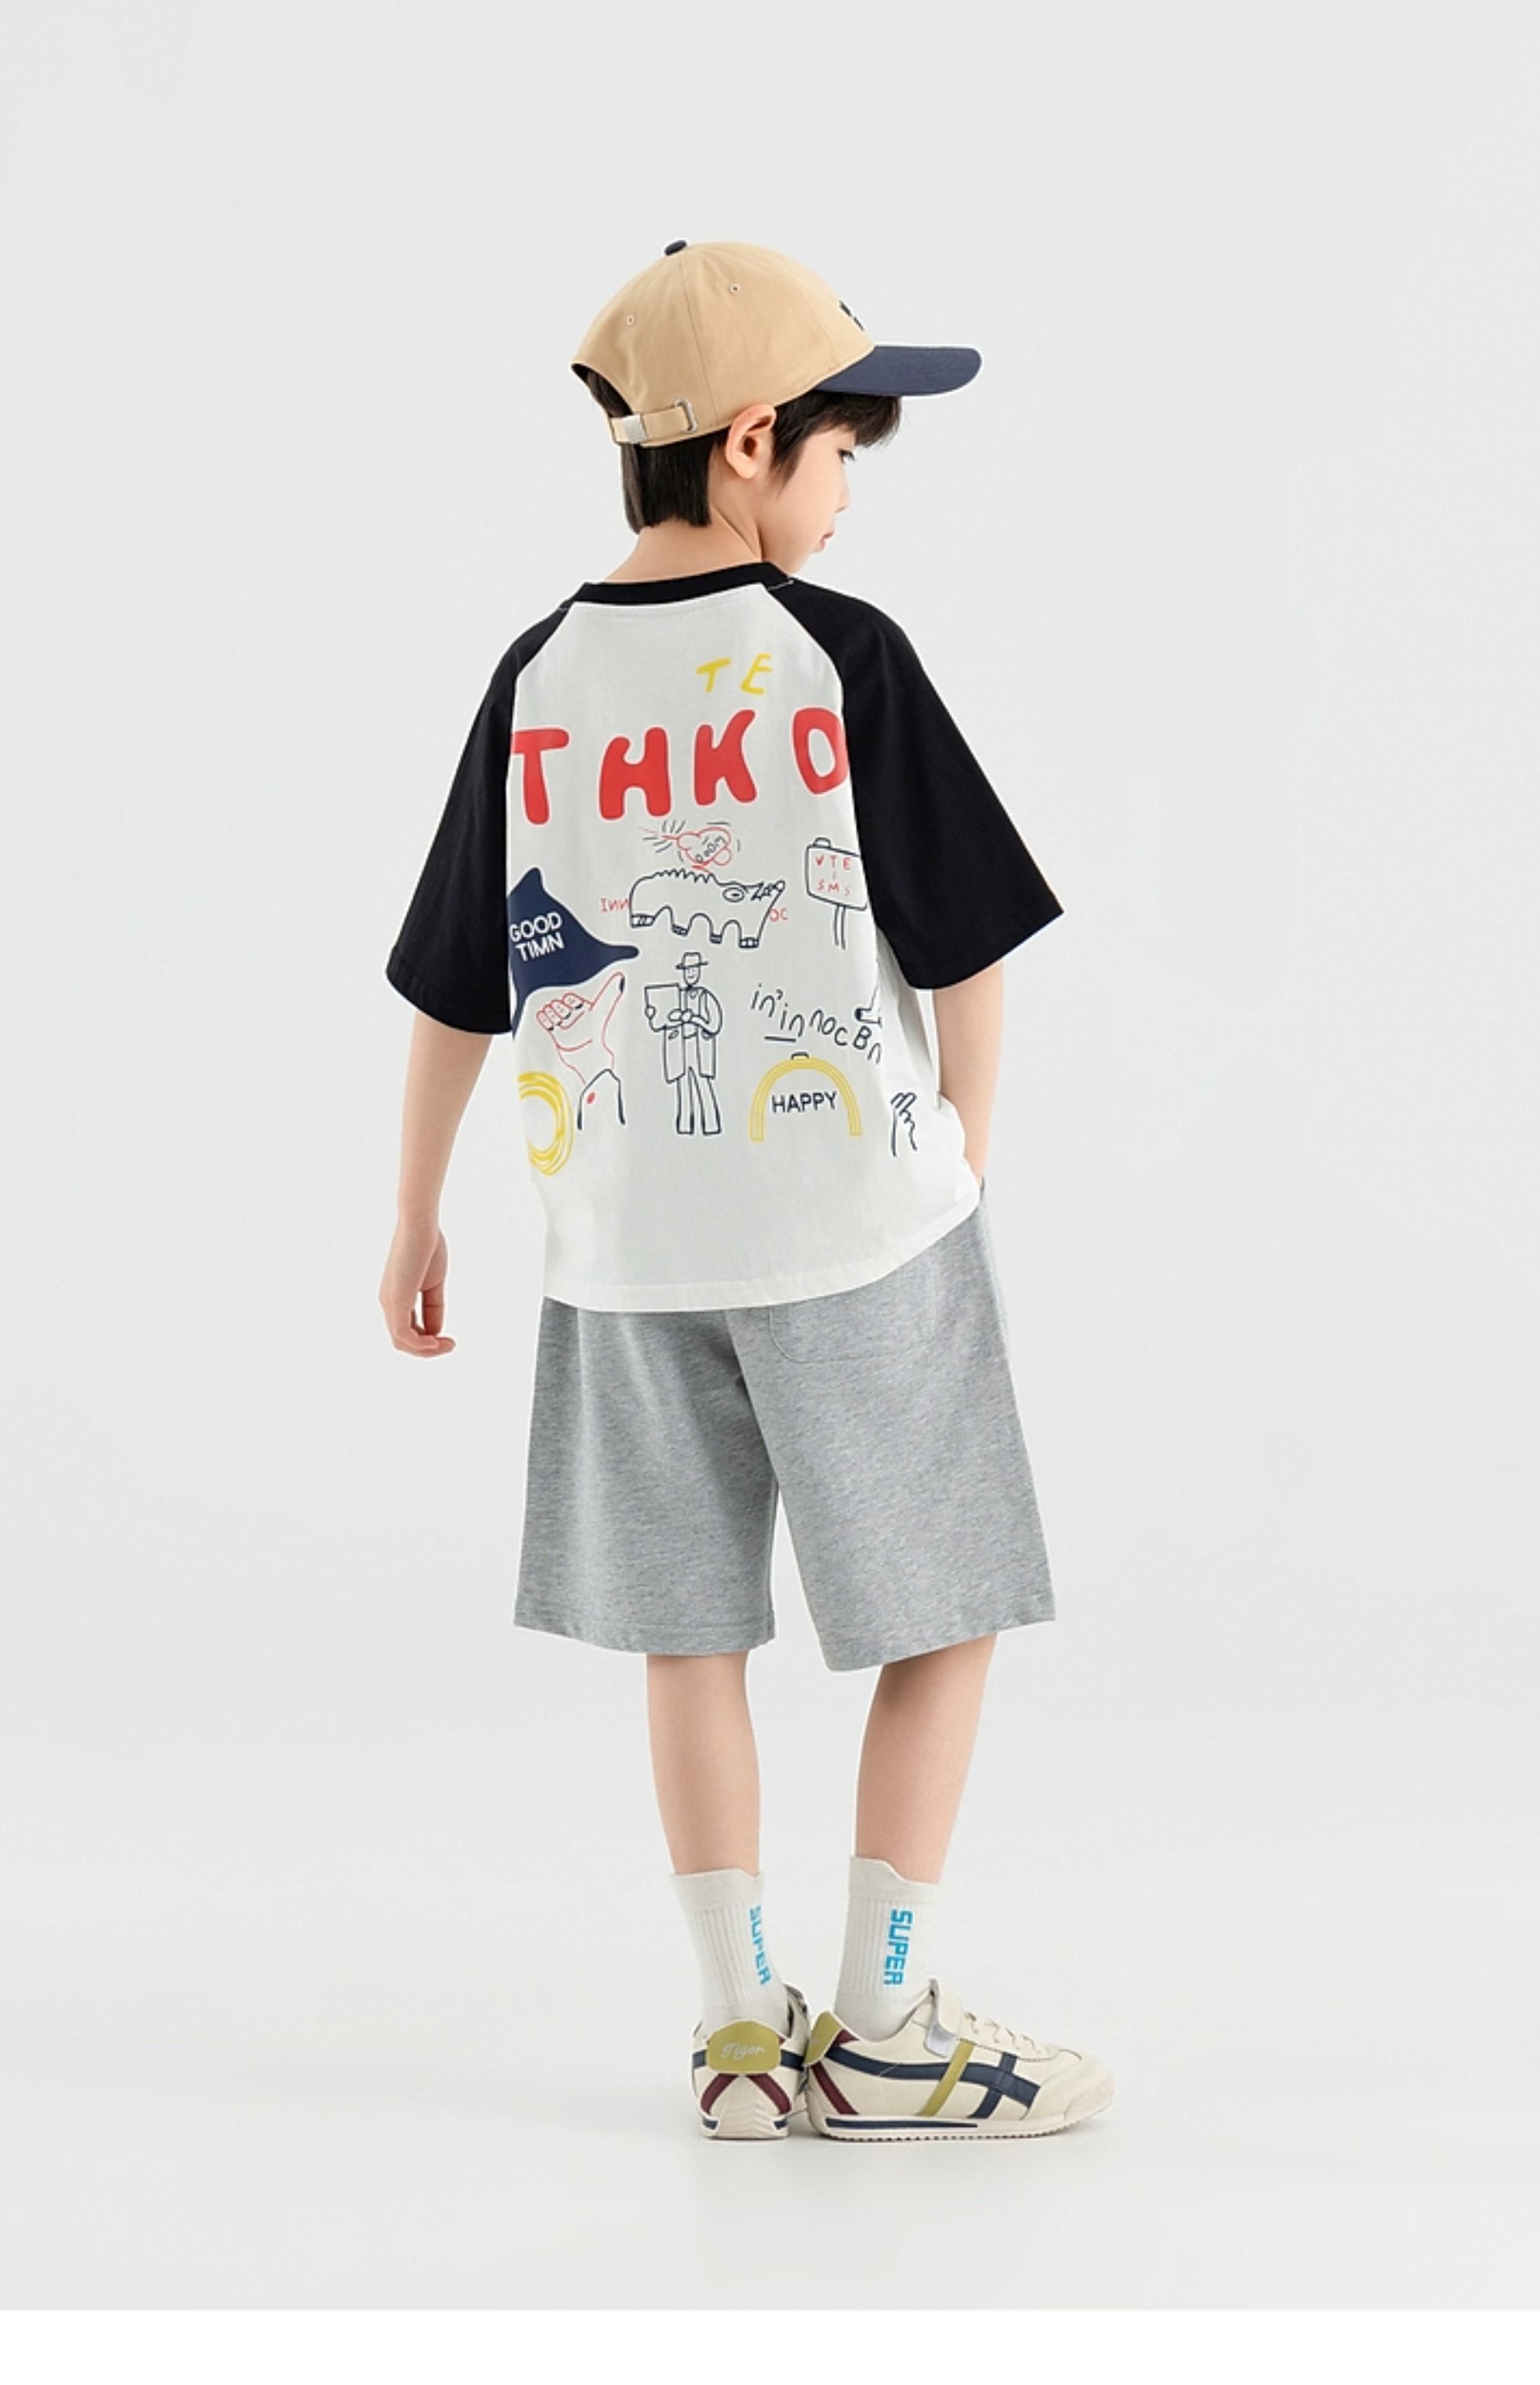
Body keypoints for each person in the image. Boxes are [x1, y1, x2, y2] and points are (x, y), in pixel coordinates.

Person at [380, 240, 1113, 2142]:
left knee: (688, 1630)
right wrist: (961, 1157)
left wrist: (415, 1213)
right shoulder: (840, 655)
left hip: (622, 1251)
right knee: (944, 1607)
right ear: (750, 442)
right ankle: (884, 2023)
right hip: (857, 1228)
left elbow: (463, 977)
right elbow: (970, 952)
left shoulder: (537, 676)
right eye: (844, 451)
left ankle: (734, 2042)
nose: (851, 490)